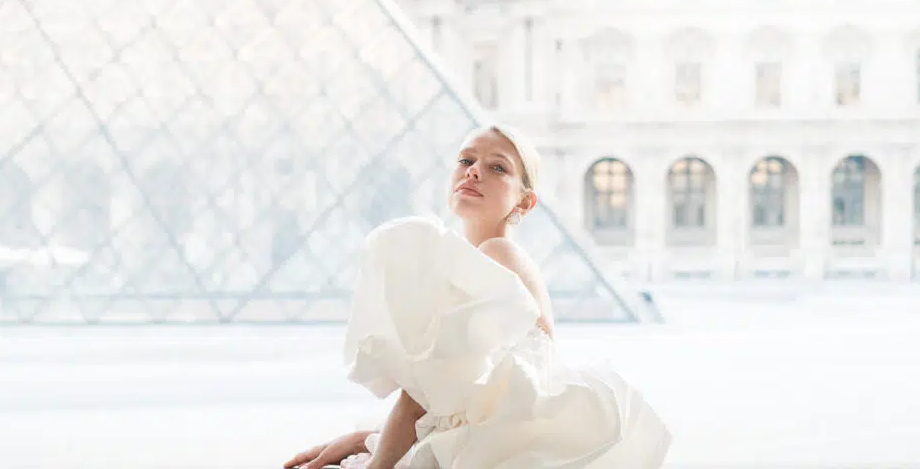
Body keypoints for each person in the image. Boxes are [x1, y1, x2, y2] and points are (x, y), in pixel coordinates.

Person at [283, 126, 671, 469]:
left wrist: (376, 462)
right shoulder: (487, 258)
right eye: (466, 159)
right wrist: (367, 439)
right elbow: (454, 401)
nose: (473, 170)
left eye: (497, 167)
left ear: (524, 202)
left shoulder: (498, 254)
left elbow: (429, 386)